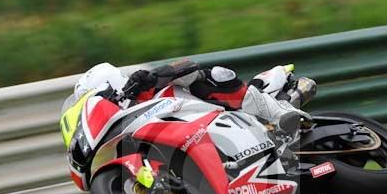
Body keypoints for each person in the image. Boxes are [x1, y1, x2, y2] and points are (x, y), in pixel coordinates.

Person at [68, 59, 316, 137]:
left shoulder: (145, 86)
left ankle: (283, 114)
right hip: (202, 138)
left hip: (224, 113)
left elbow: (187, 66)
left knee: (212, 76)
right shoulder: (124, 124)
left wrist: (154, 77)